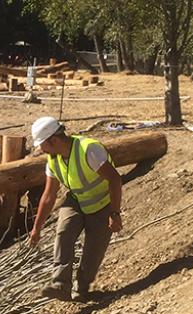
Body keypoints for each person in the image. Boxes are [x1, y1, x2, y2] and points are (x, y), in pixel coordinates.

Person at [28, 116, 123, 302]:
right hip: (77, 201)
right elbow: (48, 196)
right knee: (64, 232)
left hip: (103, 204)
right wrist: (36, 228)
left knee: (93, 249)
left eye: (42, 145)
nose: (41, 150)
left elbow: (115, 180)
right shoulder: (53, 159)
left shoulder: (89, 150)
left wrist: (115, 213)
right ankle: (61, 284)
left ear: (54, 140)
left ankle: (82, 287)